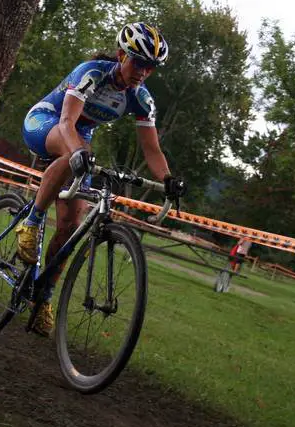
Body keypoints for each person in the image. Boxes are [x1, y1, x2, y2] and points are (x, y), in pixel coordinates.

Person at [14, 22, 187, 336]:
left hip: (78, 138)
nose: (143, 72)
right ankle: (32, 222)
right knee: (73, 152)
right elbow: (67, 121)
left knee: (69, 227)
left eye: (150, 67)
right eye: (138, 62)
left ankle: (42, 298)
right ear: (121, 55)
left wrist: (168, 178)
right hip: (47, 121)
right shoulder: (92, 73)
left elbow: (151, 148)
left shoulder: (142, 99)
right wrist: (79, 150)